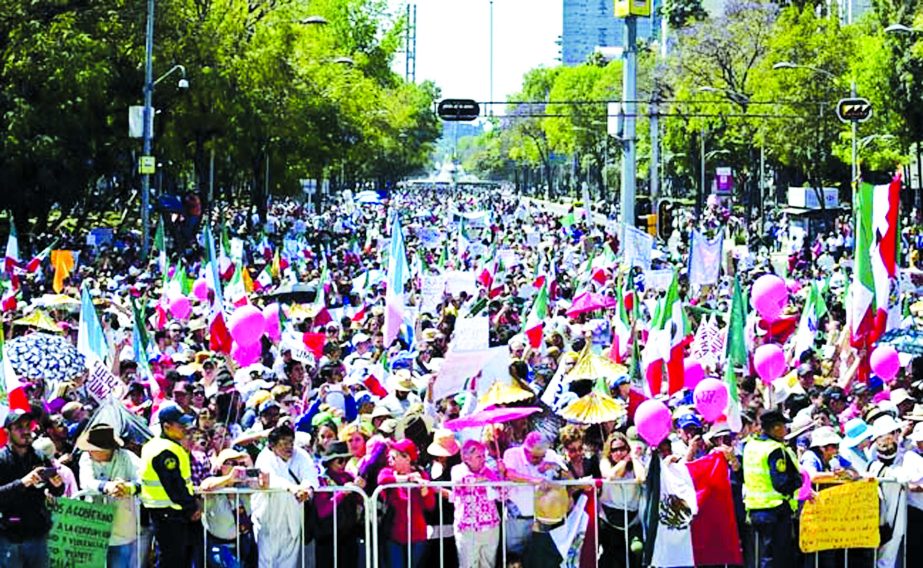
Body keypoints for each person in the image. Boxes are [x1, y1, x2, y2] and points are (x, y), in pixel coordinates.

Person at [0, 409, 65, 567]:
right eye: (19, 427)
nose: (25, 431)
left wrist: (57, 485)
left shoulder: (40, 456)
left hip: (38, 534)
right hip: (10, 536)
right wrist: (23, 482)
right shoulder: (1, 459)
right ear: (7, 431)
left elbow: (56, 490)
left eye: (28, 425)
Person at [139, 405, 200, 567]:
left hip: (168, 512)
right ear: (166, 426)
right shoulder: (165, 450)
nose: (185, 429)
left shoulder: (158, 445)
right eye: (180, 426)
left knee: (176, 558)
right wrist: (191, 507)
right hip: (169, 512)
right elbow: (174, 486)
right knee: (172, 560)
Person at [252, 424, 318, 568]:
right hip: (268, 518)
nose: (288, 447)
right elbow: (270, 479)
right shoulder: (264, 457)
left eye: (290, 442)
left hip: (292, 517)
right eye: (283, 443)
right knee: (266, 562)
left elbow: (310, 474)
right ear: (272, 445)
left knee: (289, 562)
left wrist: (306, 488)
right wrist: (292, 488)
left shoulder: (300, 455)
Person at [77, 423, 142, 568]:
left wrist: (127, 487)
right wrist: (106, 486)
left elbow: (143, 480)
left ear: (106, 450)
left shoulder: (127, 458)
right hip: (94, 527)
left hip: (122, 527)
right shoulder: (86, 458)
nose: (88, 451)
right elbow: (86, 482)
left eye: (92, 449)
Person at [743, 409, 801, 568]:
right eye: (783, 426)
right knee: (775, 557)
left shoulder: (750, 445)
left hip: (755, 509)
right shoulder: (774, 449)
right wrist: (798, 481)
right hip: (774, 510)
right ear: (775, 428)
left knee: (765, 554)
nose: (785, 430)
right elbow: (780, 483)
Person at [376, 438, 435, 568]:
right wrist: (406, 479)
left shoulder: (422, 475)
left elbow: (430, 505)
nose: (390, 460)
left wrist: (423, 489)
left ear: (407, 458)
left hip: (417, 535)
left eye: (394, 456)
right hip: (394, 535)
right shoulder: (388, 472)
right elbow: (381, 479)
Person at [199, 448, 262, 568]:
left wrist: (254, 473)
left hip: (243, 543)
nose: (236, 468)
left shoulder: (243, 486)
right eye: (231, 463)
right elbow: (205, 486)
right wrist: (229, 479)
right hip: (218, 545)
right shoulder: (214, 484)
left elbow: (261, 486)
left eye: (238, 464)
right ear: (221, 466)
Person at [450, 440, 502, 568]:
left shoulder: (489, 470)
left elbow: (503, 495)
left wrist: (501, 474)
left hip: (491, 527)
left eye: (484, 455)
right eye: (479, 456)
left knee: (488, 564)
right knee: (468, 565)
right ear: (466, 458)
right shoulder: (457, 470)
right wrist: (484, 479)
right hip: (468, 528)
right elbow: (463, 482)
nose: (483, 459)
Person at [598, 431, 644, 568]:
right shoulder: (605, 462)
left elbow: (642, 478)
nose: (618, 452)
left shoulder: (634, 464)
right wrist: (624, 461)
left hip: (632, 518)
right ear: (609, 452)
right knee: (613, 557)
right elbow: (610, 476)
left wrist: (634, 458)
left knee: (636, 550)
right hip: (609, 517)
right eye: (614, 450)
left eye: (622, 449)